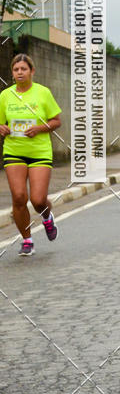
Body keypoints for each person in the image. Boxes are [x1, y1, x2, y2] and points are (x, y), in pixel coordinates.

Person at [0, 53, 61, 256]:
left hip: (39, 152)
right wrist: (2, 128)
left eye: (23, 69)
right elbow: (0, 123)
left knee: (38, 200)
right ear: (12, 73)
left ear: (32, 71)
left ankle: (47, 217)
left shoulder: (43, 93)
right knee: (18, 197)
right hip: (14, 151)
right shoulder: (5, 96)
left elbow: (56, 121)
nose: (19, 72)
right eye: (16, 69)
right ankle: (27, 240)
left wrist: (38, 128)